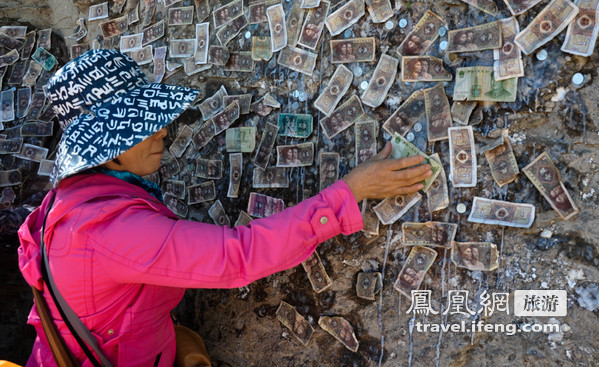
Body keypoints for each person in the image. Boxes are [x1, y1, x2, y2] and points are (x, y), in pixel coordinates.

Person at [17, 49, 432, 366]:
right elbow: (238, 256)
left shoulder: (74, 200)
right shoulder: (107, 229)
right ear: (107, 149)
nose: (162, 130)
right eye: (142, 126)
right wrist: (350, 192)